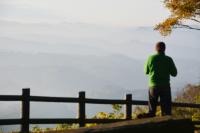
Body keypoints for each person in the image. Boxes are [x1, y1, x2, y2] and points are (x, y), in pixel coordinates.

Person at [139, 42, 177, 118]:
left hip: (153, 86)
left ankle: (150, 127)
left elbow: (146, 71)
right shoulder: (168, 59)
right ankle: (166, 128)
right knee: (166, 112)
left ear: (155, 49)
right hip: (165, 86)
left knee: (152, 111)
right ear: (164, 49)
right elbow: (174, 73)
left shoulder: (151, 58)